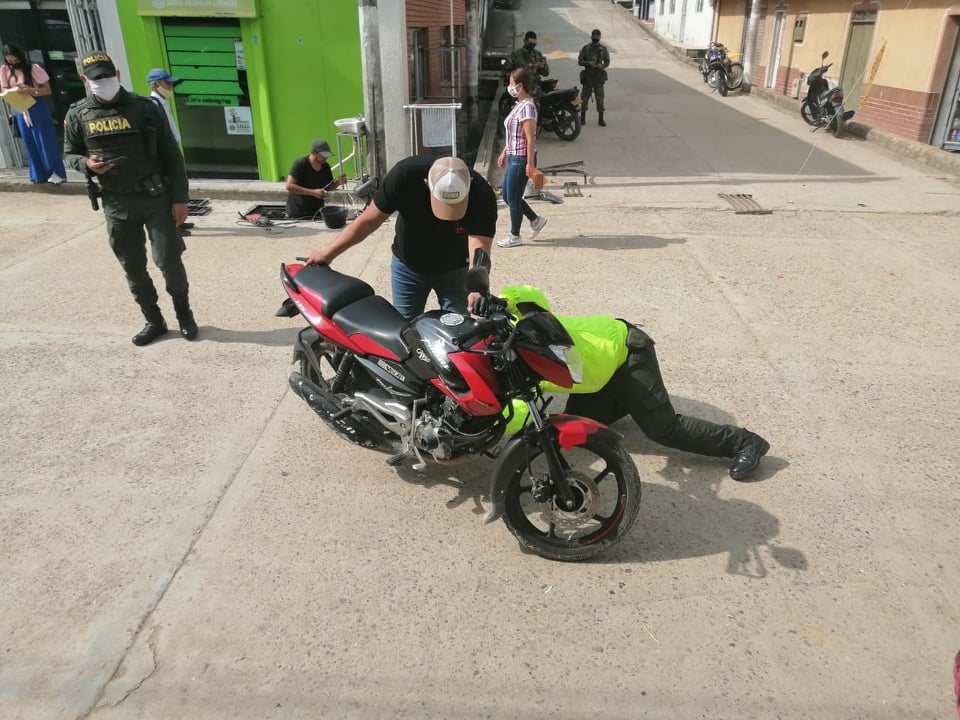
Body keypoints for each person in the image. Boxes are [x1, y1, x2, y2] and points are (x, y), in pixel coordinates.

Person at [500, 286, 770, 480]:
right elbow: (522, 412)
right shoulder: (512, 373)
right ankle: (629, 398)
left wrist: (501, 299)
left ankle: (744, 442)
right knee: (578, 424)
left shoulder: (518, 323)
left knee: (663, 428)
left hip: (627, 351)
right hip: (597, 376)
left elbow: (529, 294)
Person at [63, 51, 198, 346]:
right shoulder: (78, 114)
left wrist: (180, 199)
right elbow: (69, 153)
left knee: (168, 260)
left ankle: (184, 314)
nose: (103, 82)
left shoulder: (145, 108)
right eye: (96, 78)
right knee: (132, 265)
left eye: (107, 76)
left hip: (155, 197)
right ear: (84, 80)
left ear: (118, 75)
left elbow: (172, 156)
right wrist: (86, 163)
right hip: (116, 202)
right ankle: (154, 320)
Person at [305, 155, 497, 319]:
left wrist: (477, 286)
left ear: (469, 185)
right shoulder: (404, 176)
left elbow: (479, 247)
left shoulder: (482, 193)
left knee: (458, 330)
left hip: (455, 269)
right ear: (426, 183)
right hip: (408, 267)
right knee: (403, 331)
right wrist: (327, 253)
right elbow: (367, 222)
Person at [1, 43, 68, 185]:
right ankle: (39, 174)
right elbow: (4, 89)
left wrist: (31, 90)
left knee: (45, 140)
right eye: (10, 61)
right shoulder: (5, 70)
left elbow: (47, 89)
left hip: (36, 105)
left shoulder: (33, 68)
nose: (13, 63)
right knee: (29, 142)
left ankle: (56, 172)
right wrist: (12, 99)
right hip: (19, 108)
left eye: (15, 60)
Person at [497, 68, 547, 249]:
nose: (509, 87)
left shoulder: (527, 107)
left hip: (521, 158)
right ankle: (535, 220)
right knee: (508, 195)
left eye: (511, 83)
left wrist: (530, 164)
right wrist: (504, 152)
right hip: (514, 155)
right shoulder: (519, 105)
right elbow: (513, 134)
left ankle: (515, 235)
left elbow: (530, 137)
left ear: (520, 85)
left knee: (513, 198)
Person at [145, 68, 193, 236]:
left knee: (179, 186)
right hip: (164, 154)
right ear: (156, 84)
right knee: (169, 190)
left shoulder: (163, 102)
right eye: (167, 83)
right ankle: (174, 226)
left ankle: (180, 221)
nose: (171, 87)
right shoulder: (152, 104)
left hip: (172, 149)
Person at [285, 139, 346, 219]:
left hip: (317, 213)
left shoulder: (326, 167)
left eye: (327, 155)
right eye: (323, 155)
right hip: (297, 213)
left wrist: (338, 182)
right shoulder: (300, 164)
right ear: (314, 153)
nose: (326, 157)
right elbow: (289, 186)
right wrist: (312, 192)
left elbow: (327, 188)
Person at [578, 28, 611, 127]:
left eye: (597, 36)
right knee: (584, 99)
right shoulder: (586, 48)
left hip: (598, 78)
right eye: (594, 36)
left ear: (600, 37)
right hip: (588, 77)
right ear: (591, 37)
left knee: (600, 99)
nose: (596, 38)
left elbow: (607, 61)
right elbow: (580, 61)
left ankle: (601, 120)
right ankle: (582, 119)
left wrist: (602, 65)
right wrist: (588, 63)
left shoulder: (603, 49)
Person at [508, 31, 549, 96]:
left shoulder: (537, 54)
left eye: (534, 44)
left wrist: (543, 67)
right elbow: (509, 71)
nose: (532, 46)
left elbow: (546, 73)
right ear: (525, 41)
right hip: (520, 88)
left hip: (535, 88)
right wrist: (534, 66)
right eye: (530, 44)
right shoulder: (516, 55)